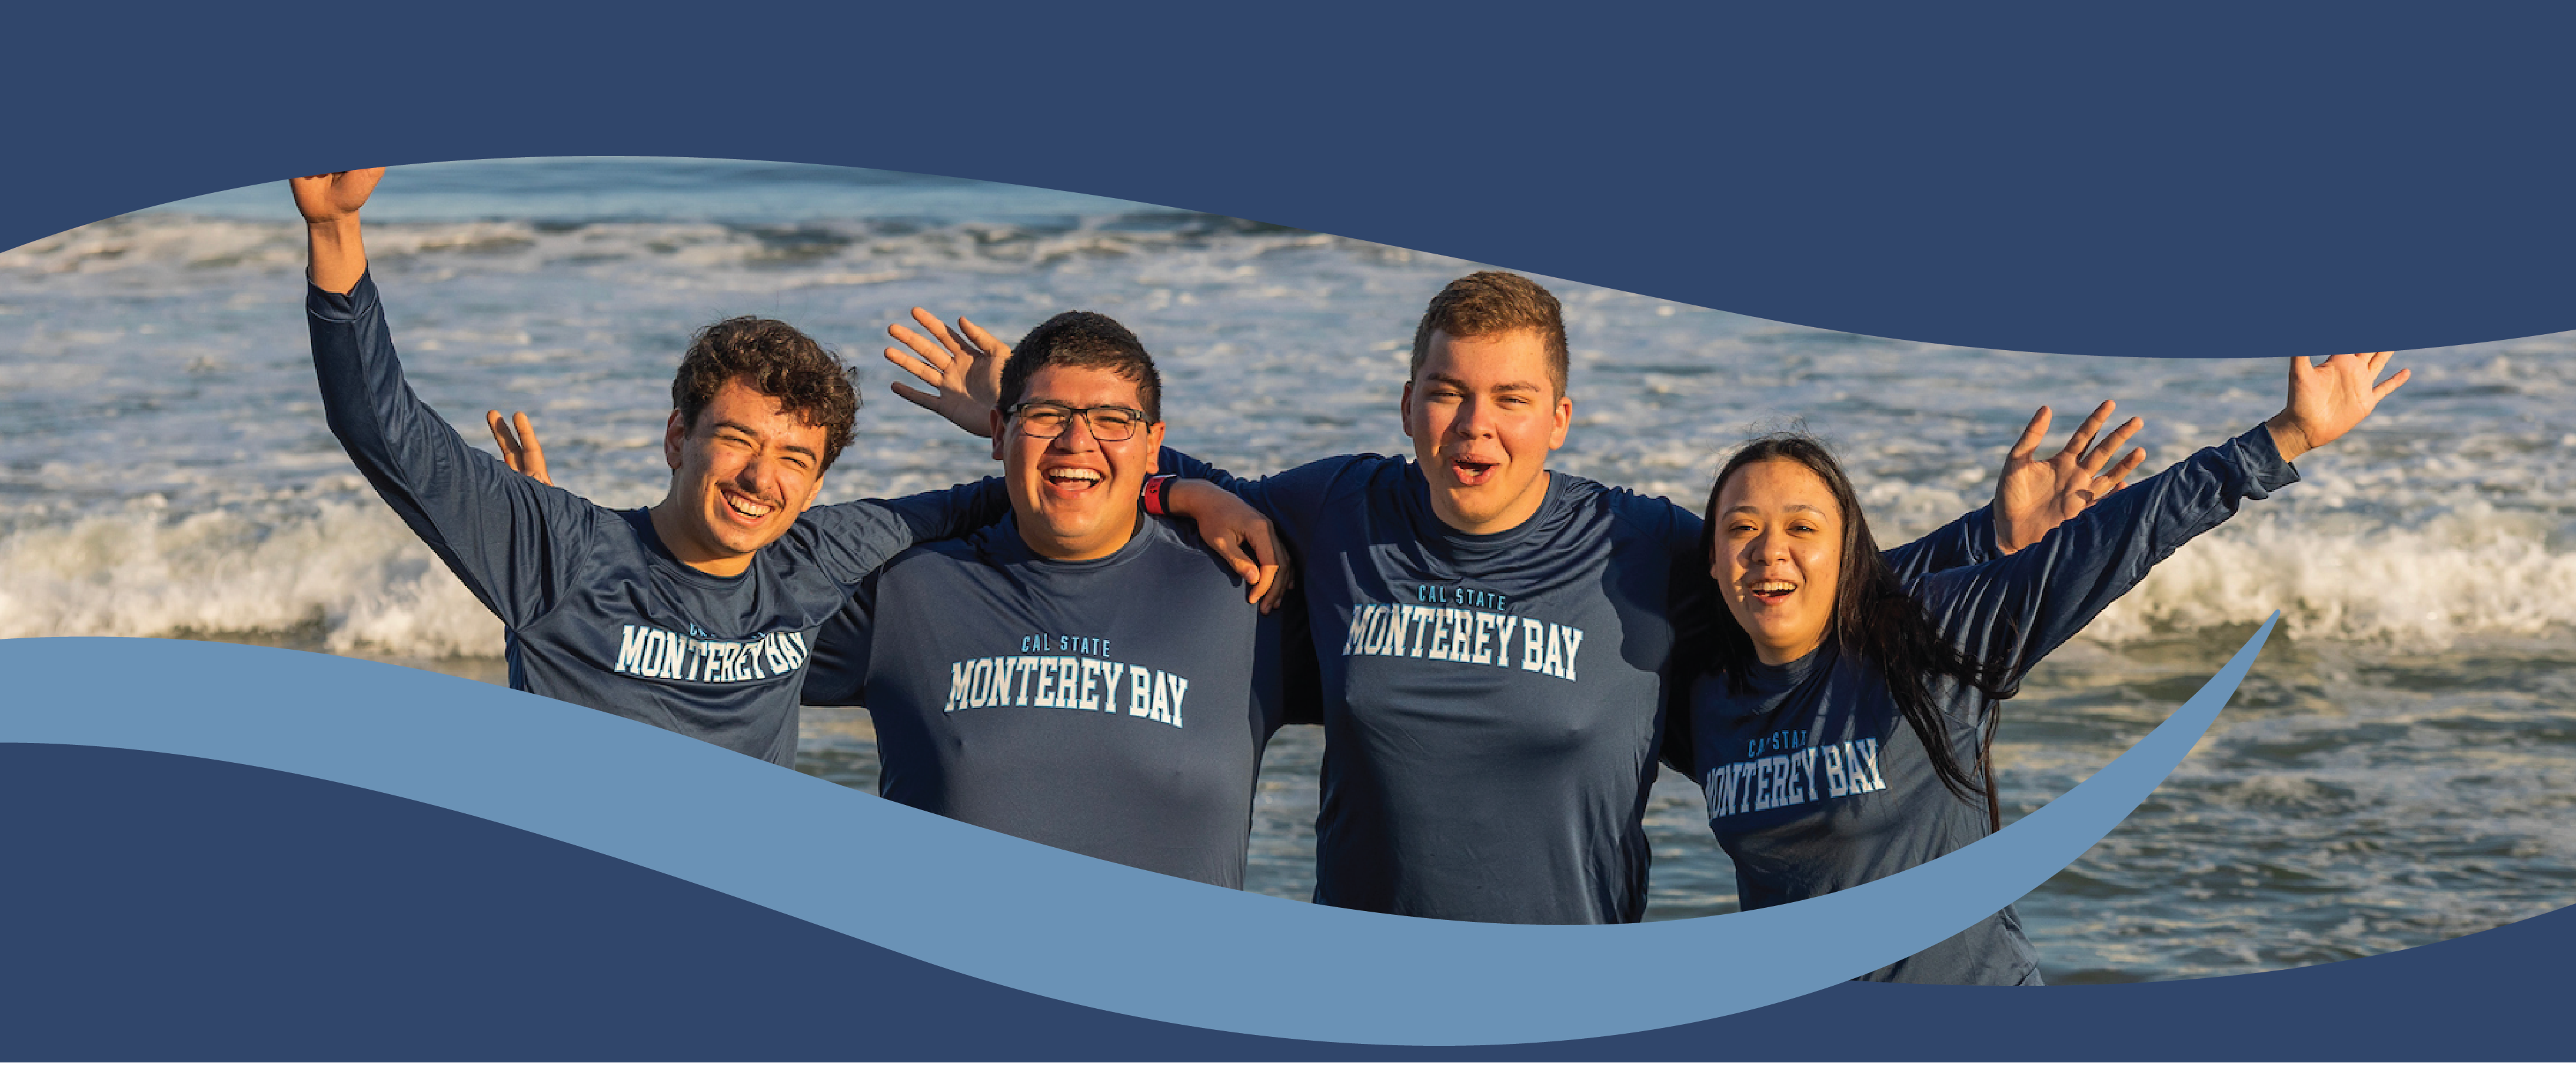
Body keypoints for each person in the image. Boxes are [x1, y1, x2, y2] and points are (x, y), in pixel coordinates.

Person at [881, 271, 2142, 923]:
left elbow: (1797, 592)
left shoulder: (1636, 542)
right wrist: (1048, 424)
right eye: (1444, 391)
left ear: (1558, 416)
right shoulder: (1343, 508)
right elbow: (1128, 478)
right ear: (1408, 403)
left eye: (1504, 397)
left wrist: (1992, 536)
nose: (1471, 422)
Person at [293, 168, 1283, 767]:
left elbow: (1050, 485)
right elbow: (385, 428)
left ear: (818, 478)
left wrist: (1165, 482)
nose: (762, 478)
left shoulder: (819, 554)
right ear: (678, 438)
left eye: (795, 459)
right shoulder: (561, 549)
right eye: (737, 440)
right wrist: (335, 238)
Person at [1680, 351, 2407, 982]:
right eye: (1740, 529)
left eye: (1802, 527)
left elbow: (2117, 538)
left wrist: (2282, 439)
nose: (1769, 550)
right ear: (1712, 562)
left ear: (1846, 553)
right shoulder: (1703, 692)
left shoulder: (1927, 638)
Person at [796, 311, 1311, 887]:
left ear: (1153, 447)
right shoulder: (907, 590)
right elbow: (742, 592)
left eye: (1113, 419)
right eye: (1046, 416)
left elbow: (1410, 701)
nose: (1075, 441)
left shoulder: (1247, 590)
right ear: (996, 433)